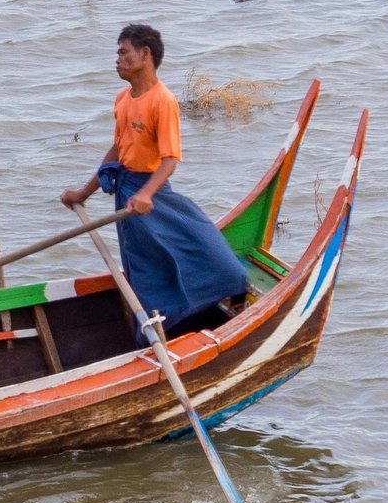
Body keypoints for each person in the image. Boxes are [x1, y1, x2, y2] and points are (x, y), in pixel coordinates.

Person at [61, 22, 250, 340]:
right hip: (128, 196)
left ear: (144, 54)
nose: (117, 59)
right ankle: (160, 330)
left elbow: (170, 160)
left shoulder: (163, 101)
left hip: (153, 195)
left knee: (207, 250)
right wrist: (83, 193)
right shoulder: (123, 98)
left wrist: (147, 195)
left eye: (124, 52)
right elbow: (117, 151)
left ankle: (231, 291)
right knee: (146, 270)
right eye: (117, 53)